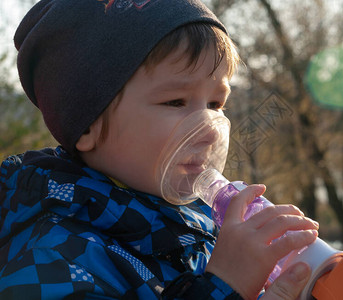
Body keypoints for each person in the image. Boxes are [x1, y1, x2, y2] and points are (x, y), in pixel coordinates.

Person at [0, 0, 319, 299]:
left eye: (216, 104)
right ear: (87, 125)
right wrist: (224, 287)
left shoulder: (197, 229)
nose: (209, 130)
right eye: (176, 102)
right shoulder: (51, 258)